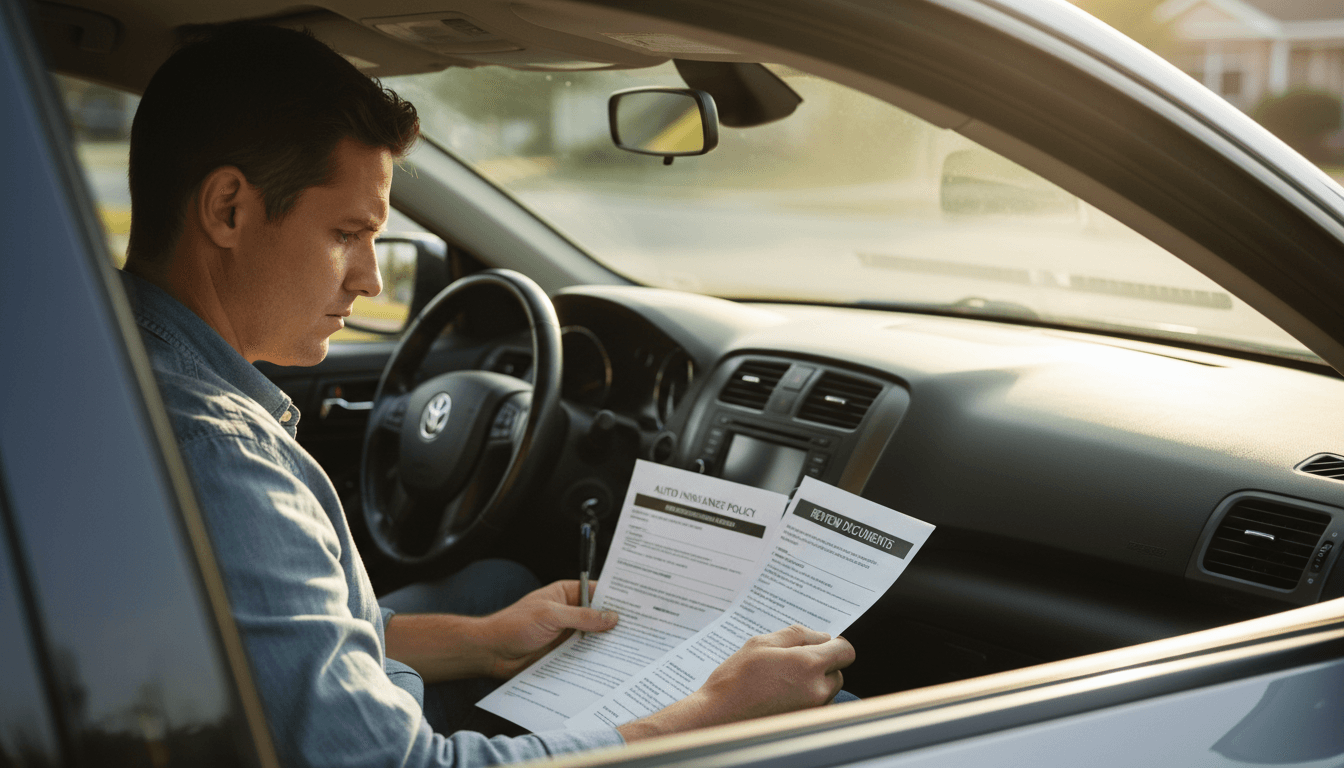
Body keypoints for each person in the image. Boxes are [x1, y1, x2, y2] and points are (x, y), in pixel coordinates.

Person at [118, 22, 855, 768]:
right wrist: (712, 716)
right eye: (348, 232)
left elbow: (279, 636)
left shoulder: (121, 366)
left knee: (498, 586)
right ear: (228, 210)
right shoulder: (219, 456)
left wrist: (484, 642)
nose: (370, 278)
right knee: (831, 719)